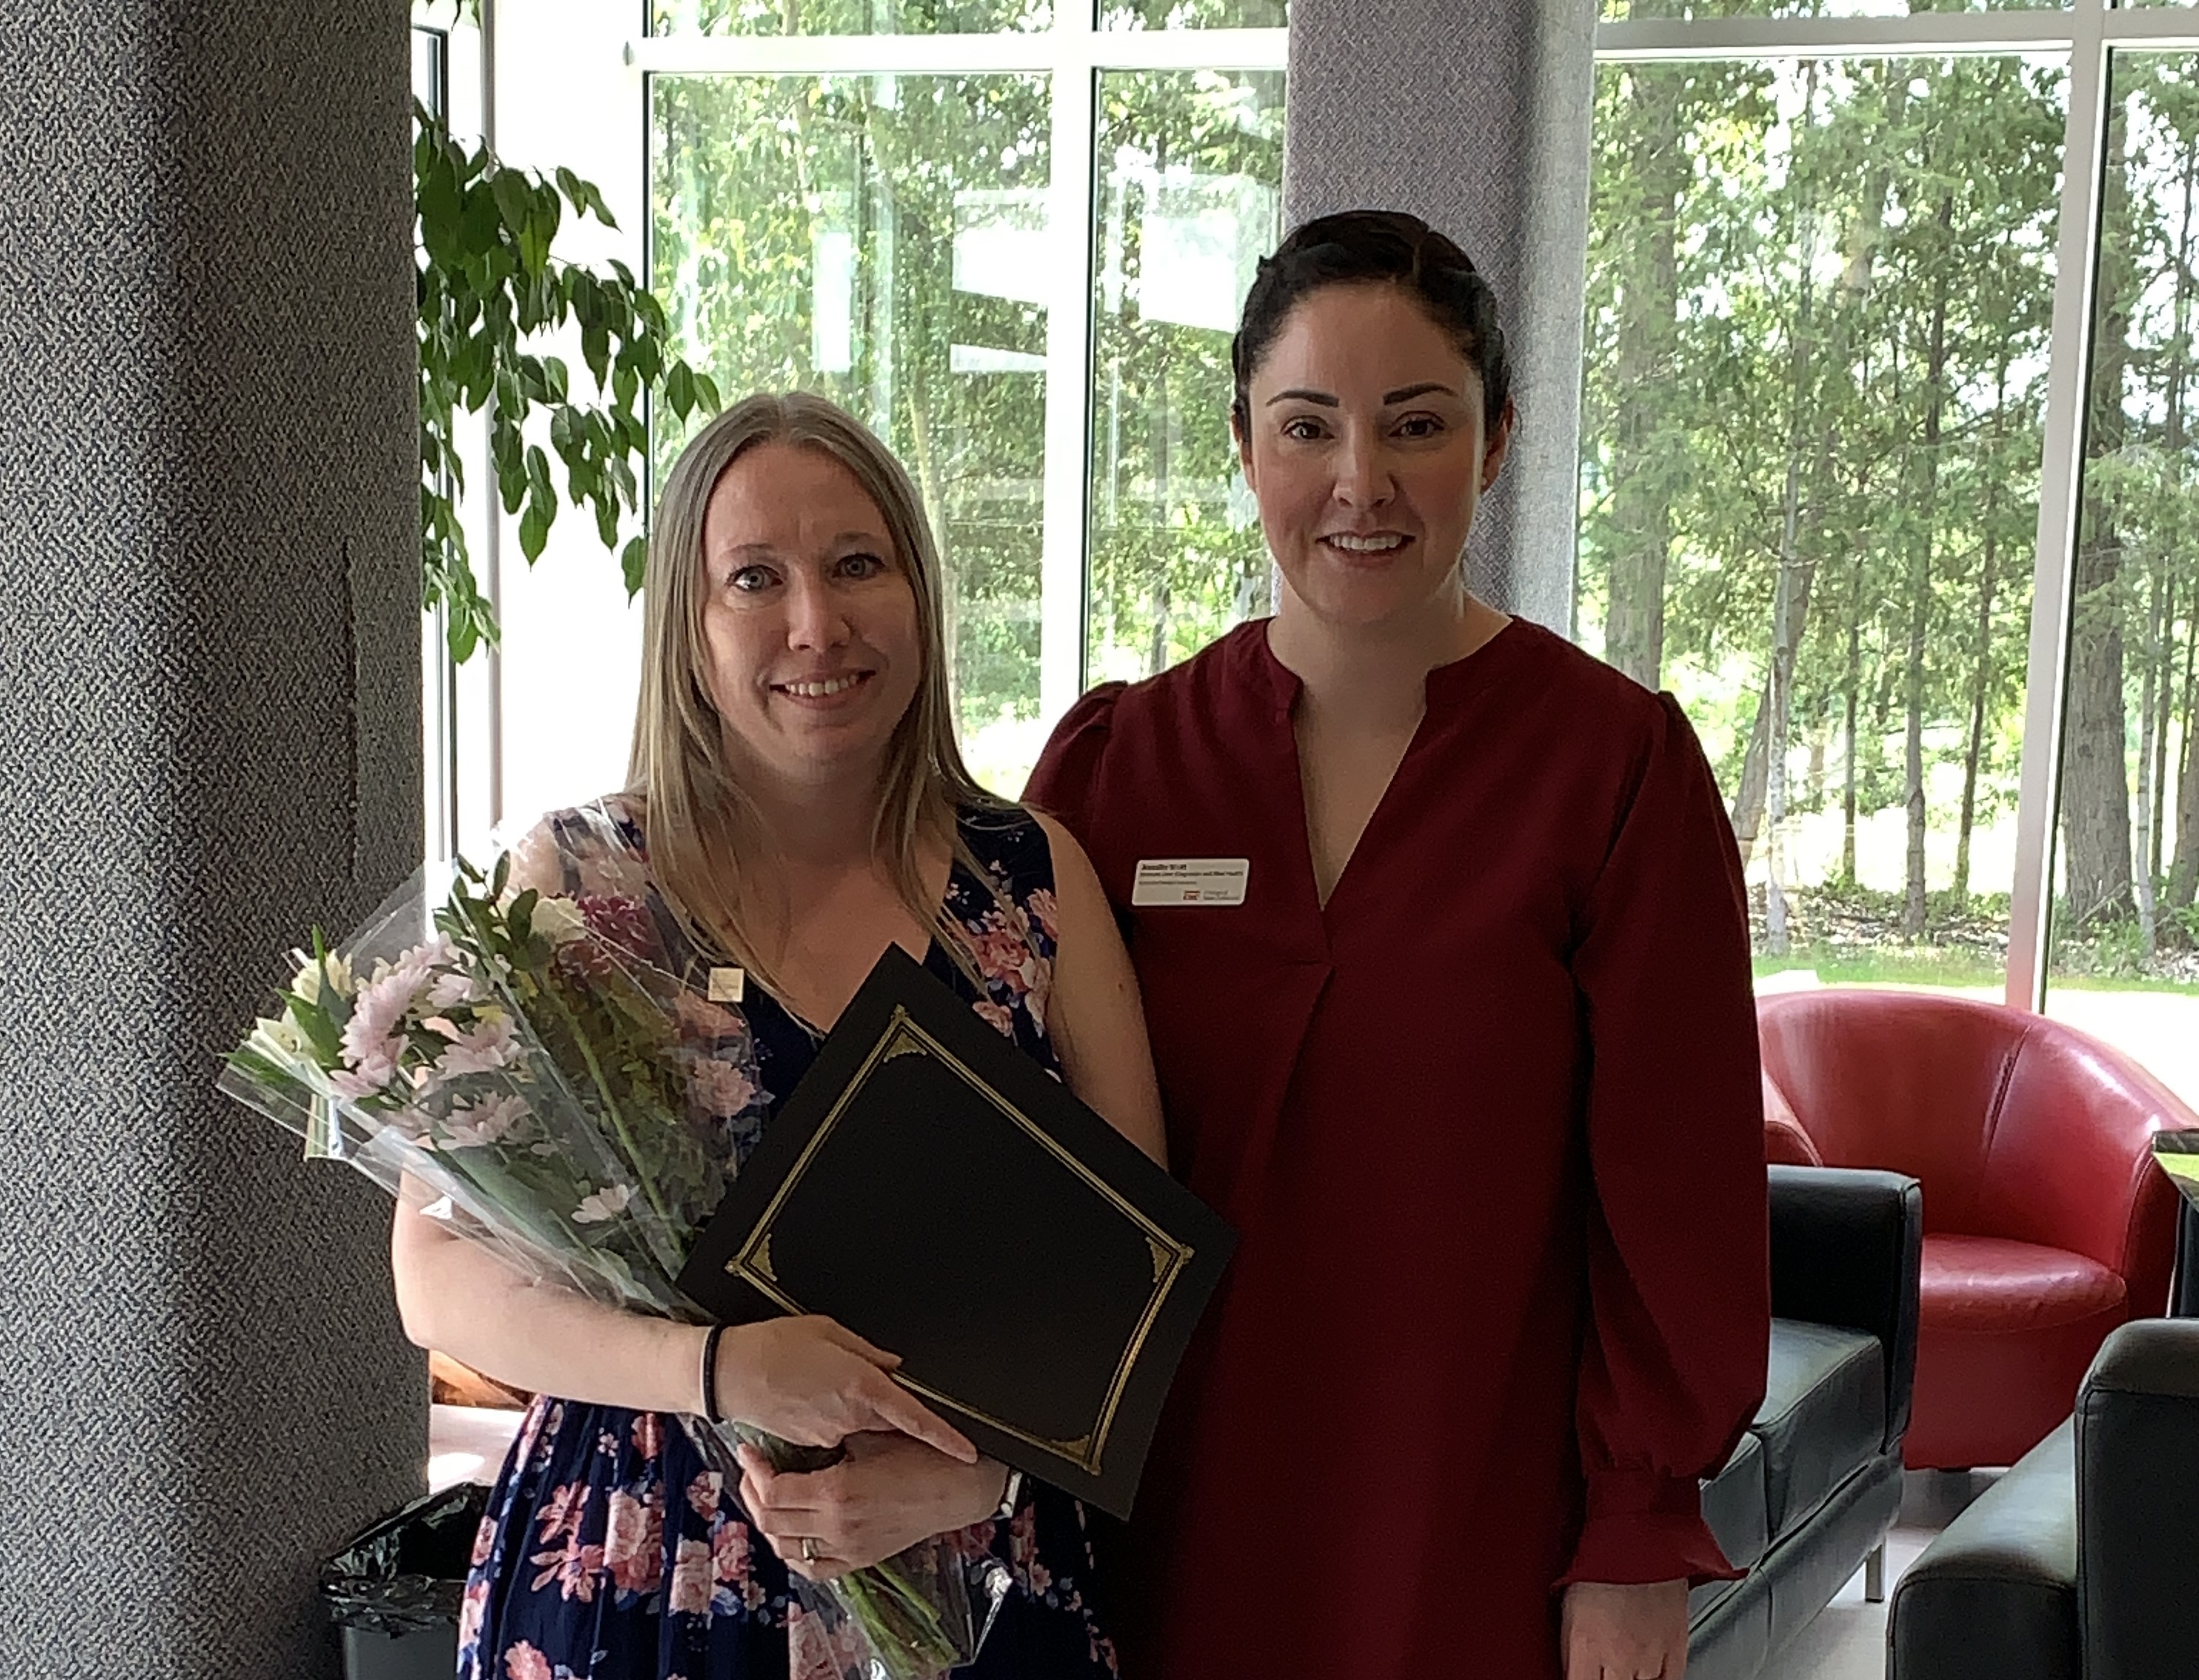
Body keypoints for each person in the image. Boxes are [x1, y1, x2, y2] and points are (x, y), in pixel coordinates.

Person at [1024, 210, 1770, 1680]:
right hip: (1155, 1519)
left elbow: (1675, 1197)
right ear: (1244, 445)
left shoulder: (1613, 774)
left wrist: (1635, 1531)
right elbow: (1017, 1147)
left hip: (1466, 1531)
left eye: (1415, 424)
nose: (1359, 482)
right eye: (1308, 426)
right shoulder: (1120, 771)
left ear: (1495, 442)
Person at [393, 391, 1164, 1680]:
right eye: (756, 578)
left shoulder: (1029, 884)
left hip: (972, 1582)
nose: (819, 623)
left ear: (919, 596)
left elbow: (1132, 1285)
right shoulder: (581, 892)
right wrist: (719, 1370)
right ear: (690, 632)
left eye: (858, 565)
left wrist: (977, 1479)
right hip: (640, 1572)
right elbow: (437, 1277)